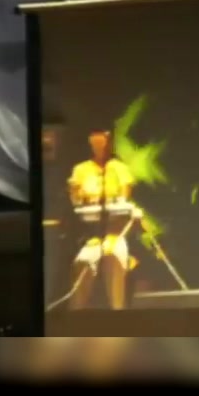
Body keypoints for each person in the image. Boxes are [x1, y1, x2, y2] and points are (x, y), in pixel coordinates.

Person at [67, 130, 138, 309]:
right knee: (83, 263)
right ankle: (75, 317)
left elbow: (125, 199)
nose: (101, 147)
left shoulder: (119, 168)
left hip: (115, 233)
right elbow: (76, 199)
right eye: (96, 143)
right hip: (91, 236)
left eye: (104, 143)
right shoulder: (81, 169)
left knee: (113, 259)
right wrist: (79, 195)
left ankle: (117, 312)